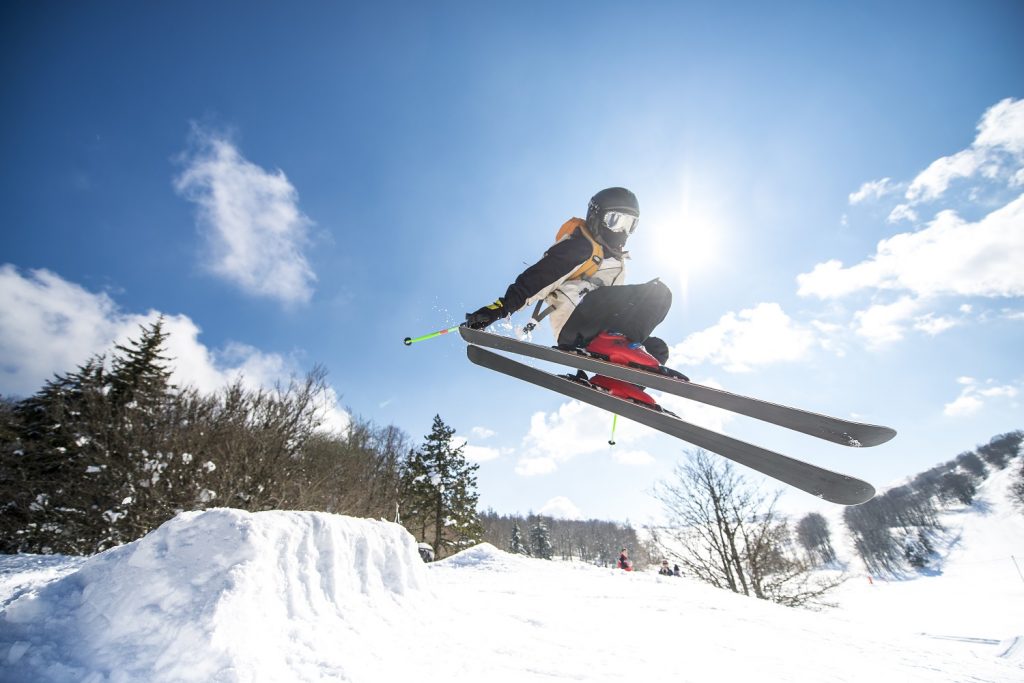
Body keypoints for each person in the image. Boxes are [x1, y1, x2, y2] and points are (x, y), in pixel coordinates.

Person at [465, 187, 681, 408]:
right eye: (616, 221)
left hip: (599, 329)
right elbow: (538, 278)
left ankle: (617, 381)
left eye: (630, 224)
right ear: (596, 217)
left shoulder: (617, 265)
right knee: (658, 293)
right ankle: (611, 346)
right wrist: (498, 309)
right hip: (578, 323)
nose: (622, 231)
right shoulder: (580, 246)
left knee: (657, 348)